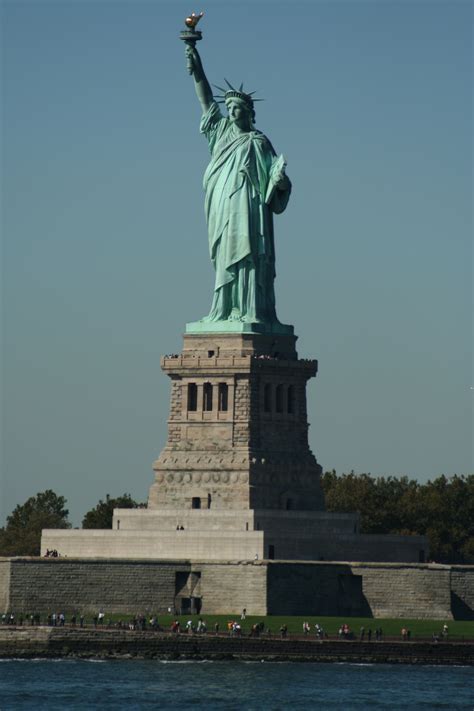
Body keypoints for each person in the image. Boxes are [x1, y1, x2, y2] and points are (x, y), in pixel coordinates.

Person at [185, 44, 292, 325]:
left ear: (248, 112)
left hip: (251, 208)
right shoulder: (219, 132)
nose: (231, 112)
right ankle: (223, 309)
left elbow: (276, 180)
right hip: (223, 207)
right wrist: (197, 67)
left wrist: (280, 182)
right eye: (229, 108)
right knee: (225, 255)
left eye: (237, 108)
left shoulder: (259, 142)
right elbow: (206, 99)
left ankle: (251, 310)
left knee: (252, 257)